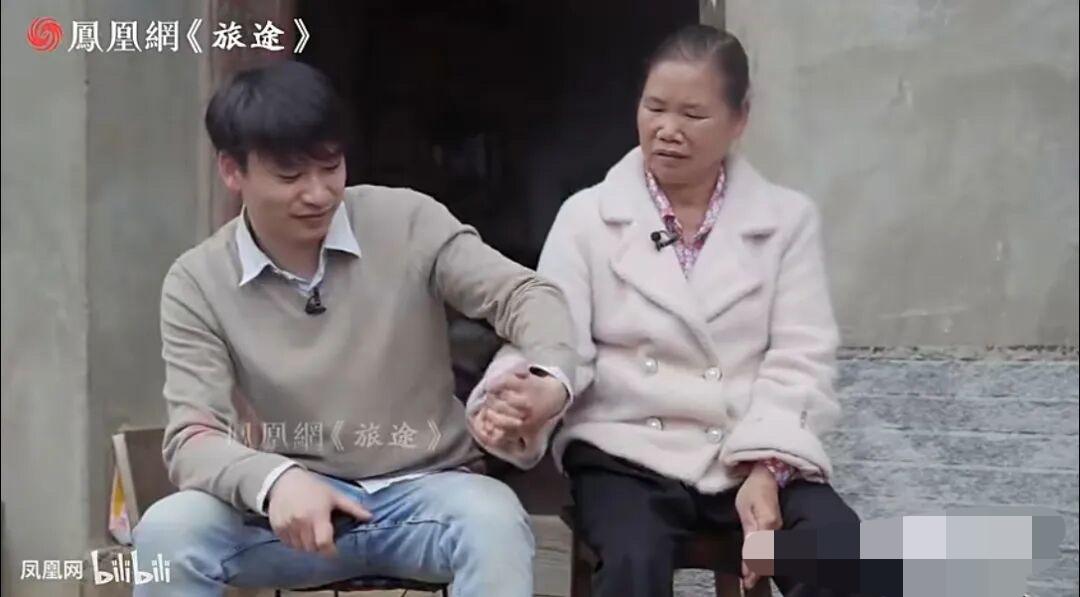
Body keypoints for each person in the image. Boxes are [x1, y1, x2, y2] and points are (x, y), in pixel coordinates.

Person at [133, 60, 575, 597]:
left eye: (331, 166)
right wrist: (274, 481)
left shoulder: (408, 222)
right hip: (290, 513)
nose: (319, 193)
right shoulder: (197, 281)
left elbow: (525, 294)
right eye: (290, 176)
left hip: (429, 495)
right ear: (232, 171)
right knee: (169, 531)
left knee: (494, 523)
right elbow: (193, 438)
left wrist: (549, 378)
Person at [469, 25, 860, 597]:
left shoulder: (786, 221)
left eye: (693, 115)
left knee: (841, 549)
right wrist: (533, 394)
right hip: (626, 452)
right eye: (654, 108)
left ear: (739, 119)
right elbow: (555, 335)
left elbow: (801, 358)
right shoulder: (587, 217)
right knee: (633, 557)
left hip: (744, 447)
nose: (667, 130)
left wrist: (767, 468)